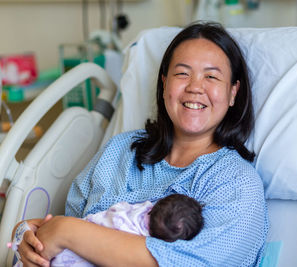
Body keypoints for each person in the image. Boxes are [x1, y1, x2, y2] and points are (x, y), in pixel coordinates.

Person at [15, 21, 268, 267]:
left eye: (211, 77)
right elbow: (64, 231)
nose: (195, 87)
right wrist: (26, 238)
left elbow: (189, 262)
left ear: (233, 92)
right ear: (164, 82)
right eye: (182, 73)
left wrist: (67, 231)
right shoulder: (119, 151)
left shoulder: (235, 182)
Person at [11, 194, 204, 266]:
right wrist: (22, 232)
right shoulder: (118, 148)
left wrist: (64, 229)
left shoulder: (225, 181)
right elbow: (39, 228)